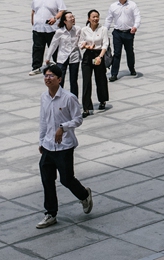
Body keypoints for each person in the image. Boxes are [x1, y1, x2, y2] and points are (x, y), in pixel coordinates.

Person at [35, 64, 92, 229]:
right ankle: (50, 214)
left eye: (51, 75)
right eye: (46, 75)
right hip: (48, 145)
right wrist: (41, 141)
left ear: (59, 79)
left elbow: (78, 119)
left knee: (66, 179)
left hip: (64, 146)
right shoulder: (44, 97)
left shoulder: (69, 98)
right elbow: (43, 120)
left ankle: (84, 194)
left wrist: (63, 127)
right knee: (47, 179)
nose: (47, 78)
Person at [30, 0, 66, 77]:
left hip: (52, 29)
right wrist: (32, 21)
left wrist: (55, 18)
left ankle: (58, 66)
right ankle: (36, 67)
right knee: (37, 48)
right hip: (38, 28)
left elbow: (62, 10)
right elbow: (33, 10)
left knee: (54, 47)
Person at [44, 10, 82, 99]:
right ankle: (58, 99)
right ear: (64, 21)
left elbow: (82, 41)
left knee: (73, 80)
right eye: (70, 17)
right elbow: (53, 44)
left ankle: (74, 100)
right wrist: (48, 57)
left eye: (73, 17)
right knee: (59, 80)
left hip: (74, 57)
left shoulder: (78, 29)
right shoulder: (59, 32)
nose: (73, 19)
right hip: (62, 57)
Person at [78, 9, 110, 115]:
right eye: (93, 17)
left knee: (100, 79)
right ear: (89, 19)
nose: (95, 19)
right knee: (86, 81)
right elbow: (80, 43)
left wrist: (100, 57)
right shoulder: (84, 30)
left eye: (97, 16)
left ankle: (102, 100)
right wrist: (86, 46)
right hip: (88, 55)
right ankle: (86, 107)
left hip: (99, 54)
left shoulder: (103, 29)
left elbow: (105, 44)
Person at [106, 0, 141, 80]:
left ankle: (131, 68)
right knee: (117, 53)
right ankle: (114, 74)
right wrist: (105, 31)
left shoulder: (132, 5)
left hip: (129, 32)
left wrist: (135, 26)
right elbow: (109, 19)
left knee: (129, 52)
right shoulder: (113, 6)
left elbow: (137, 16)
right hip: (117, 33)